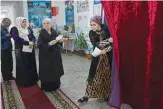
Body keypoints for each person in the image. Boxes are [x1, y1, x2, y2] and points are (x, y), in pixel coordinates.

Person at [78, 15, 113, 103]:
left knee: (106, 76)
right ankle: (87, 95)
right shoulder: (91, 33)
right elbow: (96, 44)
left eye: (94, 24)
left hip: (107, 57)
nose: (92, 26)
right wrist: (108, 41)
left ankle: (106, 95)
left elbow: (112, 45)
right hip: (97, 56)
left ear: (99, 23)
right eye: (91, 25)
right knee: (93, 75)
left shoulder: (107, 30)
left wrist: (107, 49)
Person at [37, 18, 64, 91]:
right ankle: (47, 86)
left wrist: (60, 41)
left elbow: (58, 41)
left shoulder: (54, 32)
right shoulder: (41, 34)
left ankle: (56, 84)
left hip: (55, 55)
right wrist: (49, 44)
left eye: (47, 23)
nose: (46, 25)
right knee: (47, 70)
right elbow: (39, 45)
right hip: (46, 56)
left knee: (55, 69)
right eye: (44, 23)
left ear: (51, 24)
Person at [10, 17, 38, 87]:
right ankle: (24, 81)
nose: (25, 23)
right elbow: (16, 39)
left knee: (30, 63)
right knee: (23, 65)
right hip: (21, 50)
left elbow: (33, 37)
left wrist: (33, 41)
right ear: (19, 22)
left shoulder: (28, 29)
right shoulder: (15, 29)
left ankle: (32, 79)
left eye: (25, 21)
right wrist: (27, 42)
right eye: (23, 22)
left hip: (29, 48)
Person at [1, 18, 13, 84]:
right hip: (3, 49)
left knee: (10, 63)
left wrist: (9, 36)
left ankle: (10, 76)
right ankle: (5, 79)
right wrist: (6, 36)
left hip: (8, 48)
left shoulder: (5, 28)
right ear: (3, 23)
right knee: (5, 65)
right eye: (7, 24)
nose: (8, 26)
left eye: (9, 25)